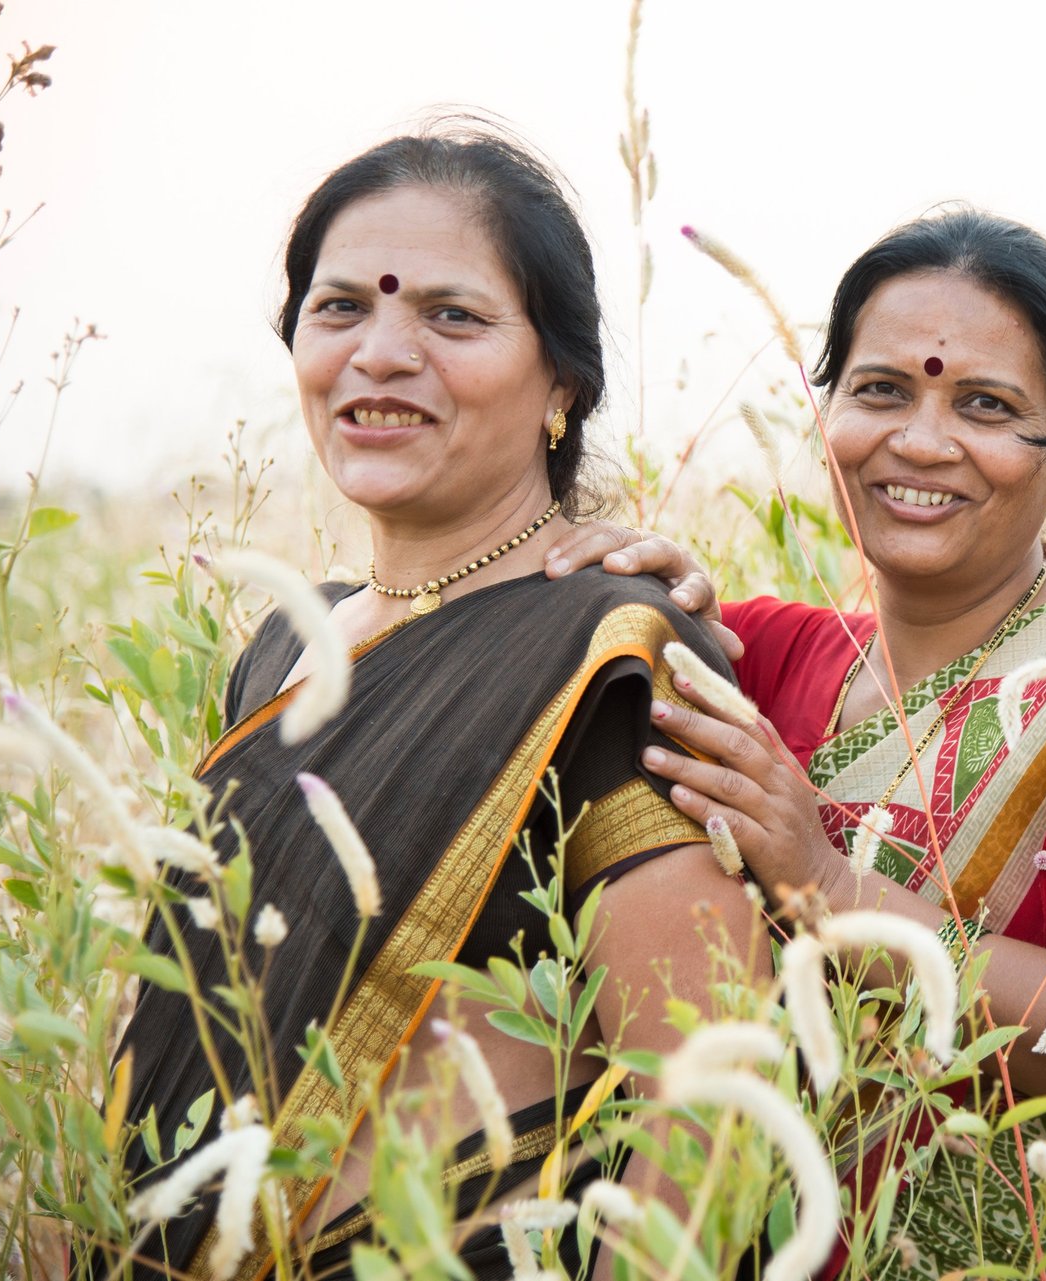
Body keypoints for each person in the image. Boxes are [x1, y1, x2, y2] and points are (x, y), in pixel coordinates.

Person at [568, 209, 1046, 1275]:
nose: (921, 440)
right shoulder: (752, 657)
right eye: (881, 391)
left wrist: (833, 890)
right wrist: (606, 577)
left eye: (985, 405)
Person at [113, 128, 758, 1280]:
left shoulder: (615, 658)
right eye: (342, 307)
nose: (383, 352)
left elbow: (702, 1117)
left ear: (562, 381)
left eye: (452, 317)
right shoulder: (281, 648)